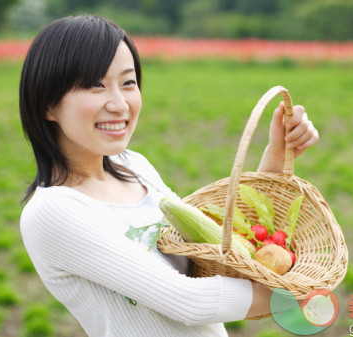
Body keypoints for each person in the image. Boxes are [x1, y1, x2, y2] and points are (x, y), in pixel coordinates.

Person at [18, 15, 319, 337]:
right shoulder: (53, 211)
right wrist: (292, 292)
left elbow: (222, 251)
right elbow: (187, 301)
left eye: (128, 82)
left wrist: (277, 153)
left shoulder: (134, 166)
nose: (120, 104)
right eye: (96, 85)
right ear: (48, 104)